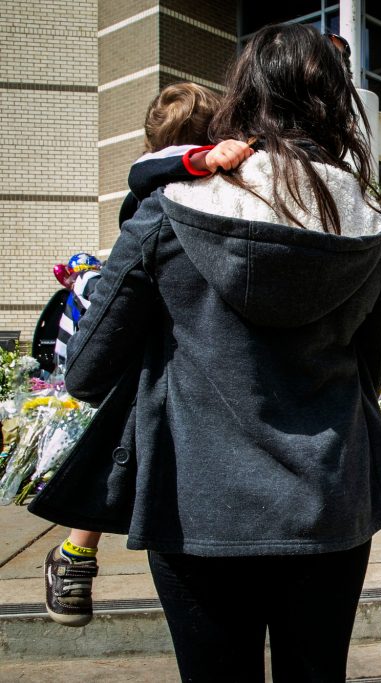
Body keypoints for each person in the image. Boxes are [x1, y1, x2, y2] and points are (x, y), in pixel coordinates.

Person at [57, 23, 381, 680]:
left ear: (243, 98)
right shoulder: (369, 219)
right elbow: (372, 371)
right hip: (329, 500)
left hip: (198, 506)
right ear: (338, 107)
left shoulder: (169, 208)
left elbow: (88, 369)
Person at [43, 83, 253, 629]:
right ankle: (74, 554)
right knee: (127, 425)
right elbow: (150, 171)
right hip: (158, 329)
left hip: (161, 328)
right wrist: (206, 157)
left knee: (125, 432)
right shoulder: (163, 178)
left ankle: (75, 553)